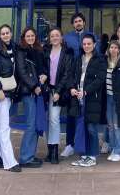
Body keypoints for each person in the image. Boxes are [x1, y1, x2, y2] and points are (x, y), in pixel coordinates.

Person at [62, 12, 98, 158]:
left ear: (84, 22)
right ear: (73, 24)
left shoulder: (91, 37)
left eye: (80, 21)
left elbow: (98, 56)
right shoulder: (67, 38)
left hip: (87, 82)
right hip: (72, 80)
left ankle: (87, 148)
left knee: (87, 119)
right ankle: (70, 144)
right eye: (75, 21)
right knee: (71, 116)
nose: (78, 23)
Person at [0, 24, 21, 172]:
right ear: (0, 36)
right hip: (2, 93)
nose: (5, 35)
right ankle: (9, 162)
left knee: (0, 126)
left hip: (11, 92)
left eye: (7, 33)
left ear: (11, 34)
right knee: (5, 127)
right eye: (3, 33)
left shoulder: (15, 48)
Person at [69, 34, 106, 167]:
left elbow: (100, 79)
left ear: (94, 44)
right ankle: (83, 155)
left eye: (89, 44)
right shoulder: (78, 58)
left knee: (91, 128)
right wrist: (72, 88)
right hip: (78, 98)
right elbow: (72, 75)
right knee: (81, 128)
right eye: (84, 44)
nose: (86, 46)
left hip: (92, 99)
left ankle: (92, 156)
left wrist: (86, 91)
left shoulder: (100, 59)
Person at [16, 27, 47, 168]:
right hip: (29, 92)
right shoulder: (21, 51)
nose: (30, 38)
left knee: (35, 124)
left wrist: (44, 75)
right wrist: (34, 86)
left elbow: (42, 68)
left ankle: (30, 155)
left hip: (38, 92)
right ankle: (25, 158)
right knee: (30, 124)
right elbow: (22, 72)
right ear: (23, 37)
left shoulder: (38, 50)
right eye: (27, 36)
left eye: (32, 35)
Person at [43, 27, 73, 164]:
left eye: (57, 35)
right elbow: (43, 69)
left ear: (61, 37)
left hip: (58, 90)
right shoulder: (45, 51)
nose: (54, 38)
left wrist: (58, 92)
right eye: (52, 36)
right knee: (48, 120)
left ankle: (54, 152)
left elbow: (67, 74)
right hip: (46, 90)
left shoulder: (67, 53)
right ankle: (49, 151)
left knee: (54, 120)